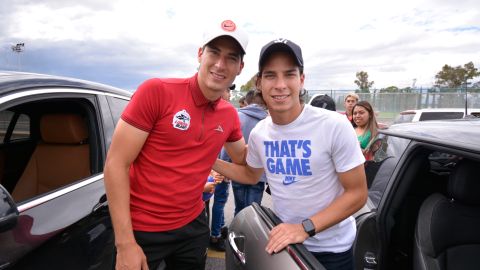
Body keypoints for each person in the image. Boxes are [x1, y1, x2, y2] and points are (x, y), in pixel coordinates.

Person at [103, 19, 249, 270]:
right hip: (142, 228)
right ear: (200, 54)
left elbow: (245, 161)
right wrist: (125, 244)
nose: (220, 64)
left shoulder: (229, 115)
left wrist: (278, 127)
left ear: (240, 67)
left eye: (231, 58)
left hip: (193, 225)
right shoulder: (157, 91)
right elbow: (116, 164)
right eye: (214, 52)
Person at [213, 38, 367, 270]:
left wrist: (303, 228)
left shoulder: (334, 125)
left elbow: (357, 193)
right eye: (271, 75)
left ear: (301, 79)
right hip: (286, 245)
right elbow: (250, 175)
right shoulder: (260, 133)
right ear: (259, 82)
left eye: (289, 74)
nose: (280, 84)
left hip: (331, 250)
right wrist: (208, 160)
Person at [228, 89, 268, 215]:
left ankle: (236, 232)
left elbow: (228, 144)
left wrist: (225, 167)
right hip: (259, 174)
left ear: (246, 101)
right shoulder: (269, 120)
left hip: (237, 170)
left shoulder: (237, 117)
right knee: (254, 212)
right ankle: (251, 234)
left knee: (239, 209)